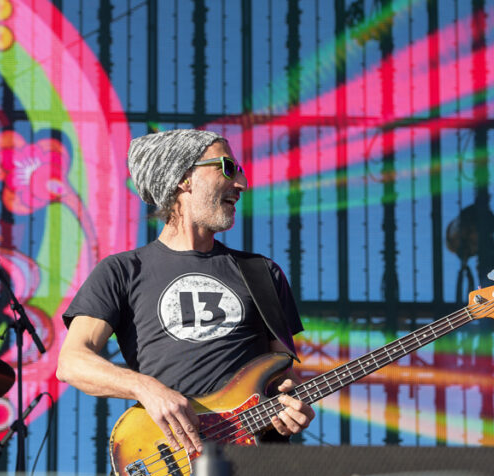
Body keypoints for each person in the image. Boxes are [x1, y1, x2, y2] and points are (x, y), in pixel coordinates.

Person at [57, 129, 314, 456]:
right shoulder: (121, 271)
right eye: (227, 168)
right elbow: (72, 362)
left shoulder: (264, 273)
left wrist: (291, 404)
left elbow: (282, 377)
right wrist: (145, 387)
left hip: (253, 462)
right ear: (183, 179)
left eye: (240, 171)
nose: (241, 183)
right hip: (167, 457)